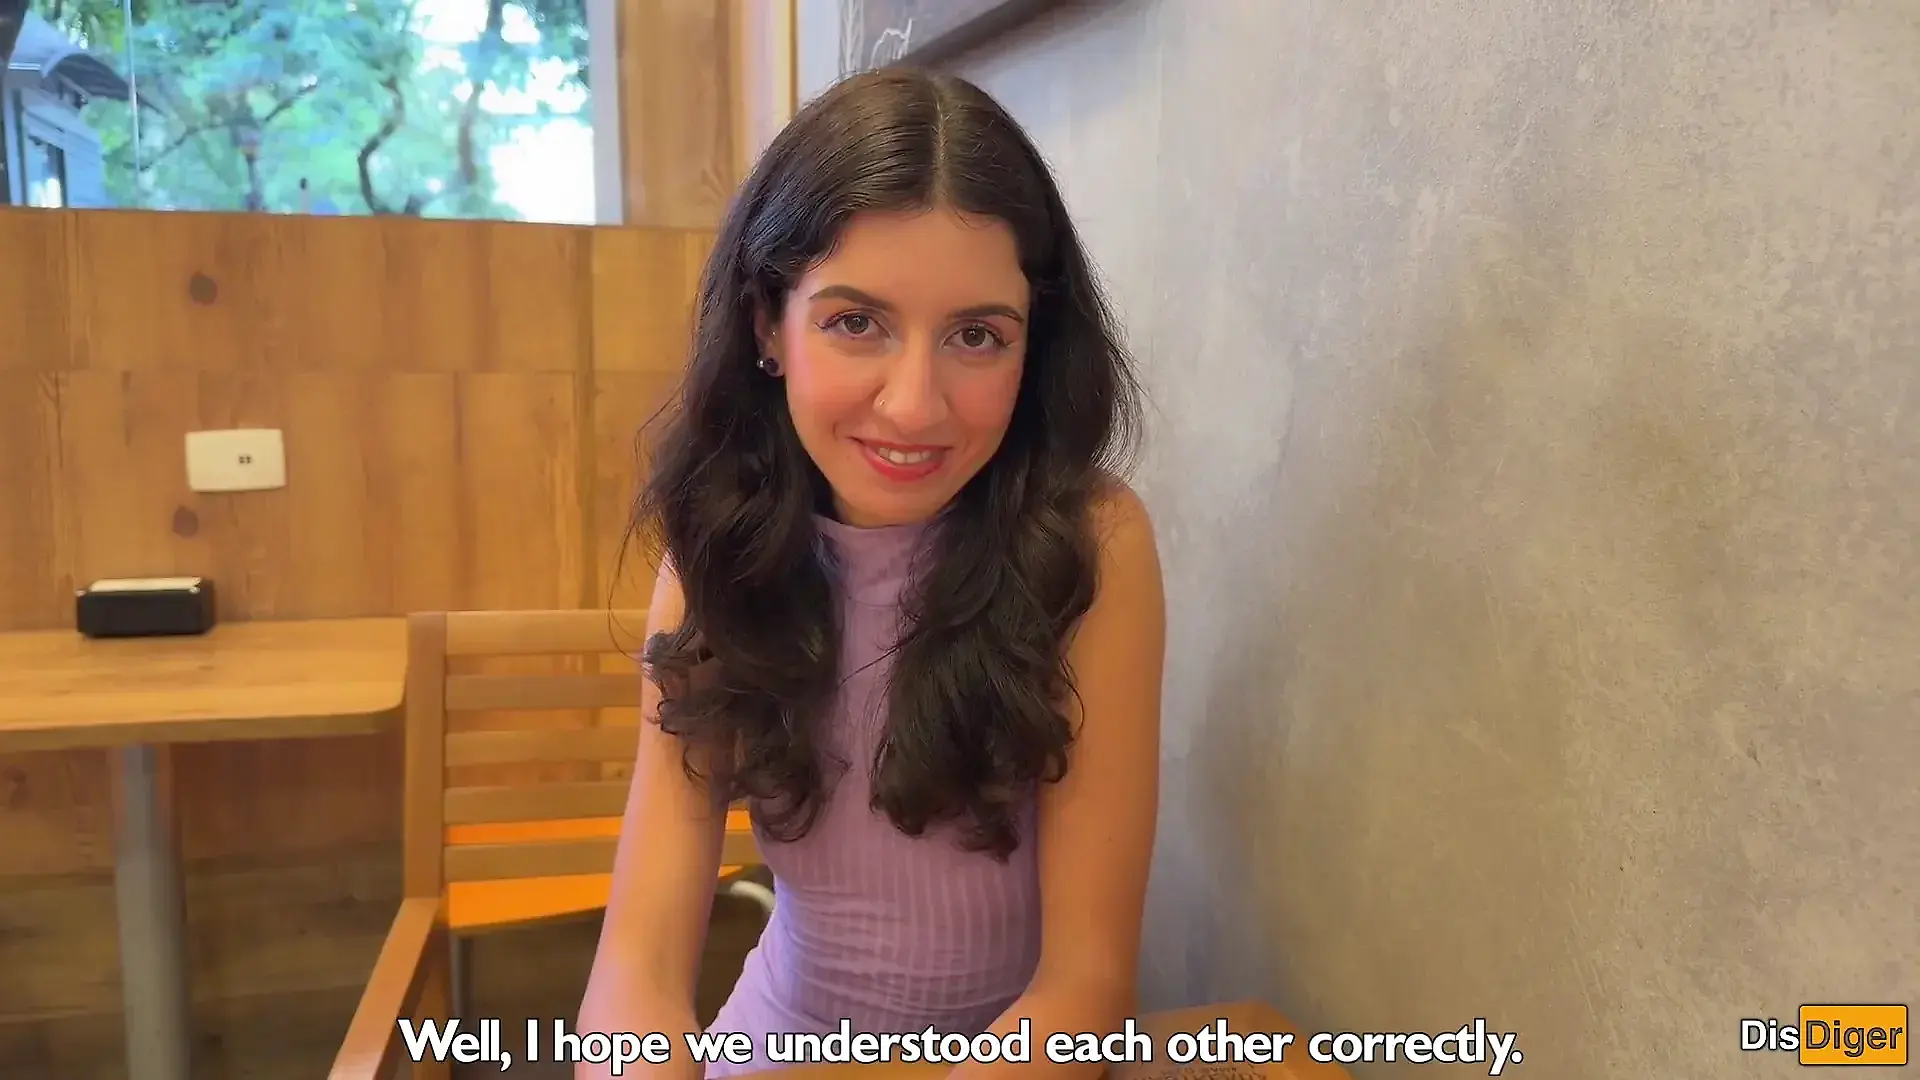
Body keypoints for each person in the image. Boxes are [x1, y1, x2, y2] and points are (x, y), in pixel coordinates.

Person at [577, 67, 1166, 1080]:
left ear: (1033, 346)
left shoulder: (1092, 545)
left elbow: (1085, 981)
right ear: (769, 325)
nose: (913, 406)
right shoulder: (716, 554)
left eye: (977, 336)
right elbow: (638, 965)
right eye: (856, 322)